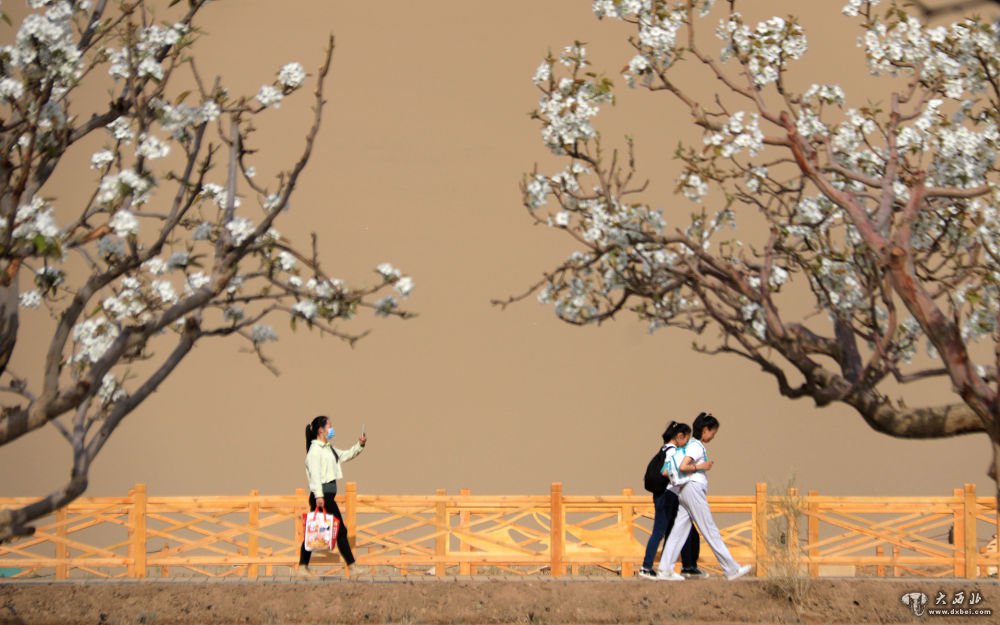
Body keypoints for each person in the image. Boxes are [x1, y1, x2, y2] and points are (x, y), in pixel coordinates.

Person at [657, 413, 752, 581]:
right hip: (693, 489)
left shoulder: (690, 445)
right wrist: (702, 466)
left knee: (679, 530)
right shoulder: (696, 446)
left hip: (685, 490)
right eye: (713, 432)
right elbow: (683, 466)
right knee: (709, 529)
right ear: (705, 429)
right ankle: (731, 568)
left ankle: (665, 568)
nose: (713, 436)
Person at [297, 415, 367, 575]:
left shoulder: (329, 449)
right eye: (329, 426)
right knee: (340, 531)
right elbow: (314, 475)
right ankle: (352, 566)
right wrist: (319, 496)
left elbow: (345, 455)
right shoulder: (314, 452)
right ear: (321, 430)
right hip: (322, 497)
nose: (331, 429)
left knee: (313, 531)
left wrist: (360, 445)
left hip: (326, 497)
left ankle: (302, 566)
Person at [638, 421, 704, 580]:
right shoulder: (673, 452)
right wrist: (684, 476)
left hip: (665, 495)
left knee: (676, 530)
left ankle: (678, 567)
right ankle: (647, 567)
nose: (687, 443)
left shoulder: (665, 449)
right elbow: (666, 471)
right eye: (686, 439)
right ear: (679, 437)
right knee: (661, 531)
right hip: (667, 496)